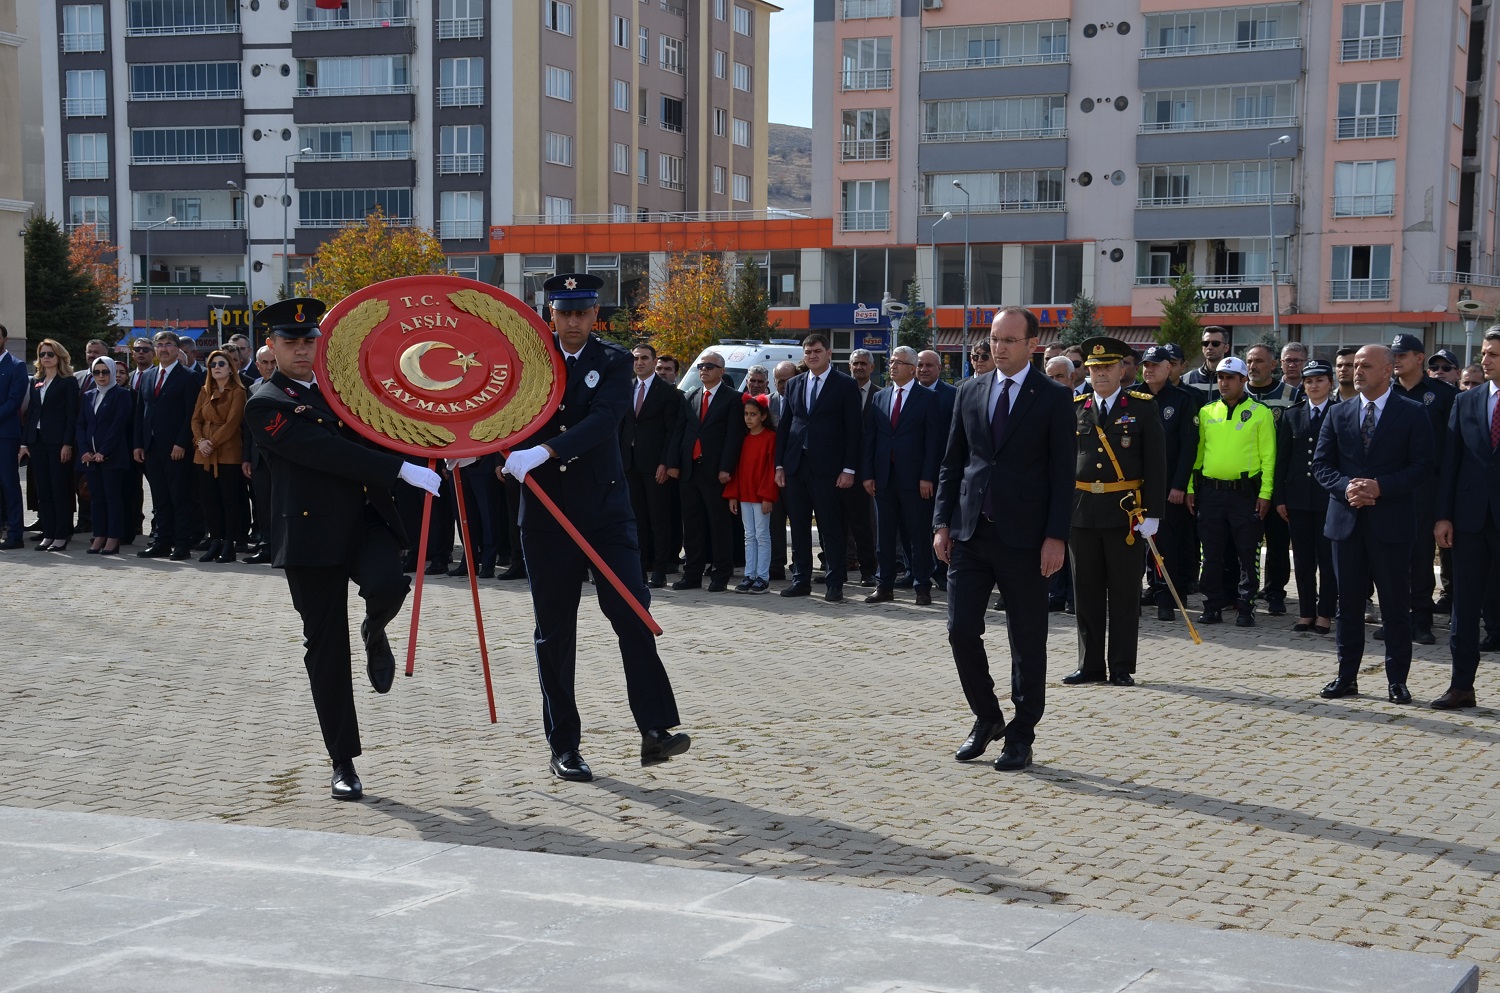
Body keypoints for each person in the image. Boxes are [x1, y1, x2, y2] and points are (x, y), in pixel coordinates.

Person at [243, 298, 441, 800]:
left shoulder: (344, 390)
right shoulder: (264, 401)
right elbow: (323, 451)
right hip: (308, 536)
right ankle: (343, 759)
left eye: (309, 340)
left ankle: (375, 628)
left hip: (362, 521)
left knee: (388, 584)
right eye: (291, 342)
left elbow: (391, 423)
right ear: (271, 346)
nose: (303, 350)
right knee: (327, 650)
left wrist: (439, 447)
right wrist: (399, 470)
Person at [503, 273, 689, 783]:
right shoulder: (527, 363)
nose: (573, 322)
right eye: (564, 313)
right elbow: (499, 417)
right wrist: (471, 451)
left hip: (605, 512)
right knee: (555, 634)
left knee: (632, 611)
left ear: (594, 315)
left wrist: (544, 450)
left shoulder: (612, 362)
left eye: (582, 313)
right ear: (551, 315)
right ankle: (564, 745)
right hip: (545, 515)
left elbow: (606, 420)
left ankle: (654, 729)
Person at [934, 307, 1074, 772]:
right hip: (972, 532)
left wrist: (1056, 537)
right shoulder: (970, 390)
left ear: (1033, 344)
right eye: (995, 339)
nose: (999, 347)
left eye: (1010, 340)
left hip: (1027, 540)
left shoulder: (1052, 397)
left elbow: (1061, 476)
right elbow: (954, 462)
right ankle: (987, 717)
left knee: (1027, 640)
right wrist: (942, 523)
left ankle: (1022, 734)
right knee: (959, 630)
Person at [1313, 344, 1433, 704]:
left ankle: (1397, 680)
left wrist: (1380, 488)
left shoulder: (1412, 413)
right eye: (1354, 366)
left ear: (1387, 370)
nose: (1357, 371)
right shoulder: (1338, 413)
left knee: (1395, 605)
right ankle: (1346, 677)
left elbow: (1422, 466)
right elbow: (1321, 465)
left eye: (1366, 365)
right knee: (1347, 604)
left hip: (1390, 523)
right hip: (1346, 522)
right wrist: (1346, 486)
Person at [1063, 336, 1167, 687]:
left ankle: (1121, 665)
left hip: (1125, 513)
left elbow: (1156, 463)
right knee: (1086, 592)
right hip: (1082, 512)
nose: (1100, 374)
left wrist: (1152, 513)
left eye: (1106, 367)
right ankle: (1089, 664)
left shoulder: (1140, 406)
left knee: (1123, 593)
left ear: (1123, 368)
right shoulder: (1075, 406)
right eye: (1093, 368)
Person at [1434, 327, 1500, 710]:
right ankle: (1461, 687)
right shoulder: (1467, 401)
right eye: (1485, 352)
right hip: (1470, 520)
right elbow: (1451, 463)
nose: (1485, 359)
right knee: (1464, 605)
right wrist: (1443, 516)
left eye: (1492, 354)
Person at [1187, 356, 1276, 626]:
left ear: (1243, 380)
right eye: (1220, 377)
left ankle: (1246, 607)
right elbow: (1197, 455)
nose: (1224, 382)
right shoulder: (1206, 412)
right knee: (1211, 554)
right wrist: (1191, 488)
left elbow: (1268, 457)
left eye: (1230, 378)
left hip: (1245, 494)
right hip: (1211, 493)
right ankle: (1212, 605)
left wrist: (1266, 494)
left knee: (1247, 553)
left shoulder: (1260, 413)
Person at [775, 332, 862, 602]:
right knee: (799, 526)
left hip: (829, 469)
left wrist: (849, 469)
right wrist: (779, 465)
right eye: (808, 351)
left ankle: (835, 582)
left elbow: (854, 431)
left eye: (817, 351)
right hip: (796, 466)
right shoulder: (795, 384)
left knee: (830, 527)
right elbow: (785, 427)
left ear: (828, 353)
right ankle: (801, 579)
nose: (812, 355)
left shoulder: (845, 385)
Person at [1387, 333, 1456, 646]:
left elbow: (1453, 446)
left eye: (1403, 355)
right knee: (1392, 558)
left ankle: (1421, 620)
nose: (1397, 360)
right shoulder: (1386, 392)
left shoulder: (1442, 395)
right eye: (1394, 355)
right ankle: (1395, 620)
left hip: (1428, 486)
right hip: (1391, 486)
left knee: (1422, 555)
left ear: (1419, 358)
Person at [862, 345, 943, 606]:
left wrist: (928, 477)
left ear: (912, 368)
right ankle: (883, 585)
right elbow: (871, 439)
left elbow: (933, 442)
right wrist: (868, 474)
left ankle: (922, 586)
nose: (892, 366)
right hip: (884, 478)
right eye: (891, 362)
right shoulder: (880, 397)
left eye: (898, 362)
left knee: (918, 534)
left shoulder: (928, 398)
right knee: (884, 535)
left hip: (915, 479)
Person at [1273, 359, 1337, 635]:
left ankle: (1325, 614)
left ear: (1330, 384)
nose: (1313, 386)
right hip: (1298, 497)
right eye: (1308, 381)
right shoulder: (1292, 414)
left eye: (1319, 380)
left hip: (1329, 498)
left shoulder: (1340, 412)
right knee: (1302, 558)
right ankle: (1306, 612)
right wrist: (1279, 496)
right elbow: (1282, 458)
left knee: (1327, 558)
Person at [674, 349, 745, 592]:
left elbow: (734, 437)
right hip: (690, 470)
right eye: (701, 367)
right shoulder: (691, 396)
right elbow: (681, 433)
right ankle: (692, 574)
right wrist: (675, 464)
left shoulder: (733, 398)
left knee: (718, 524)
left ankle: (720, 575)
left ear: (721, 372)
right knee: (692, 526)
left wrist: (726, 467)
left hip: (715, 472)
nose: (703, 370)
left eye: (709, 367)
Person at [1139, 345, 1201, 622]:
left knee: (1166, 545)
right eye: (1146, 365)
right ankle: (1142, 593)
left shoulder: (1182, 400)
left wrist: (1179, 485)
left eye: (1155, 365)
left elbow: (1189, 446)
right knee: (1135, 544)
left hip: (1166, 488)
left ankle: (1167, 597)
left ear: (1169, 368)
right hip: (1135, 487)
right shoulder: (1132, 397)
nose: (1149, 369)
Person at [133, 330, 202, 560]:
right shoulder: (149, 376)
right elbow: (141, 412)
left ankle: (181, 544)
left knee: (179, 497)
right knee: (159, 498)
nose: (164, 349)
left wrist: (182, 442)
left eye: (169, 344)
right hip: (151, 447)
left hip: (176, 449)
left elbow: (191, 413)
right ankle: (162, 541)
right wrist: (139, 444)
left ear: (177, 349)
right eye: (160, 344)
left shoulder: (189, 377)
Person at [624, 343, 685, 588]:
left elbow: (673, 433)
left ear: (653, 360)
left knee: (659, 520)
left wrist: (666, 463)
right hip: (630, 465)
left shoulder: (667, 392)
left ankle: (660, 571)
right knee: (635, 520)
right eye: (636, 358)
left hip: (655, 467)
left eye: (645, 358)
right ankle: (638, 571)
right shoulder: (625, 388)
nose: (640, 362)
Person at [190, 348, 248, 563]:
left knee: (229, 500)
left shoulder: (238, 392)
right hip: (203, 453)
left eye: (221, 364)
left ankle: (229, 544)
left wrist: (212, 443)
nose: (216, 368)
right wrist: (200, 442)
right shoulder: (204, 390)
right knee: (209, 500)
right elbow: (195, 419)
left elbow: (233, 423)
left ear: (231, 369)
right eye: (212, 365)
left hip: (227, 452)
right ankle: (215, 541)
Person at [21, 339, 80, 550]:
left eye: (50, 354)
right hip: (37, 442)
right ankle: (48, 532)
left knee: (59, 490)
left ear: (59, 357)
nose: (46, 358)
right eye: (42, 354)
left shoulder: (68, 382)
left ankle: (62, 534)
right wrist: (24, 442)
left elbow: (72, 416)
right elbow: (32, 413)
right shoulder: (36, 381)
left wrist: (67, 444)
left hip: (58, 443)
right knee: (43, 490)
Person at [77, 356, 132, 554]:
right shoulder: (89, 395)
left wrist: (103, 451)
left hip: (112, 457)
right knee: (96, 499)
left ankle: (113, 537)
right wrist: (84, 450)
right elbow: (81, 424)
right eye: (97, 372)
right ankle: (99, 534)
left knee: (112, 498)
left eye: (105, 372)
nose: (101, 376)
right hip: (91, 459)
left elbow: (118, 426)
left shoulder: (121, 395)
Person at [725, 393, 778, 593]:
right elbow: (737, 468)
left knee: (762, 535)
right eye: (746, 414)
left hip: (760, 496)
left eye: (753, 414)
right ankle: (750, 575)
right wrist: (733, 494)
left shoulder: (770, 438)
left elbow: (770, 469)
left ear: (763, 416)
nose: (748, 418)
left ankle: (762, 577)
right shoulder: (744, 439)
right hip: (745, 494)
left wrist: (767, 496)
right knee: (749, 535)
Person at [843, 348, 878, 586]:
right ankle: (838, 566)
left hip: (866, 469)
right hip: (840, 467)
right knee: (836, 521)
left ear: (872, 367)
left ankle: (868, 570)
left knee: (863, 523)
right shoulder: (841, 391)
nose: (859, 367)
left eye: (863, 363)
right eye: (855, 363)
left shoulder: (881, 395)